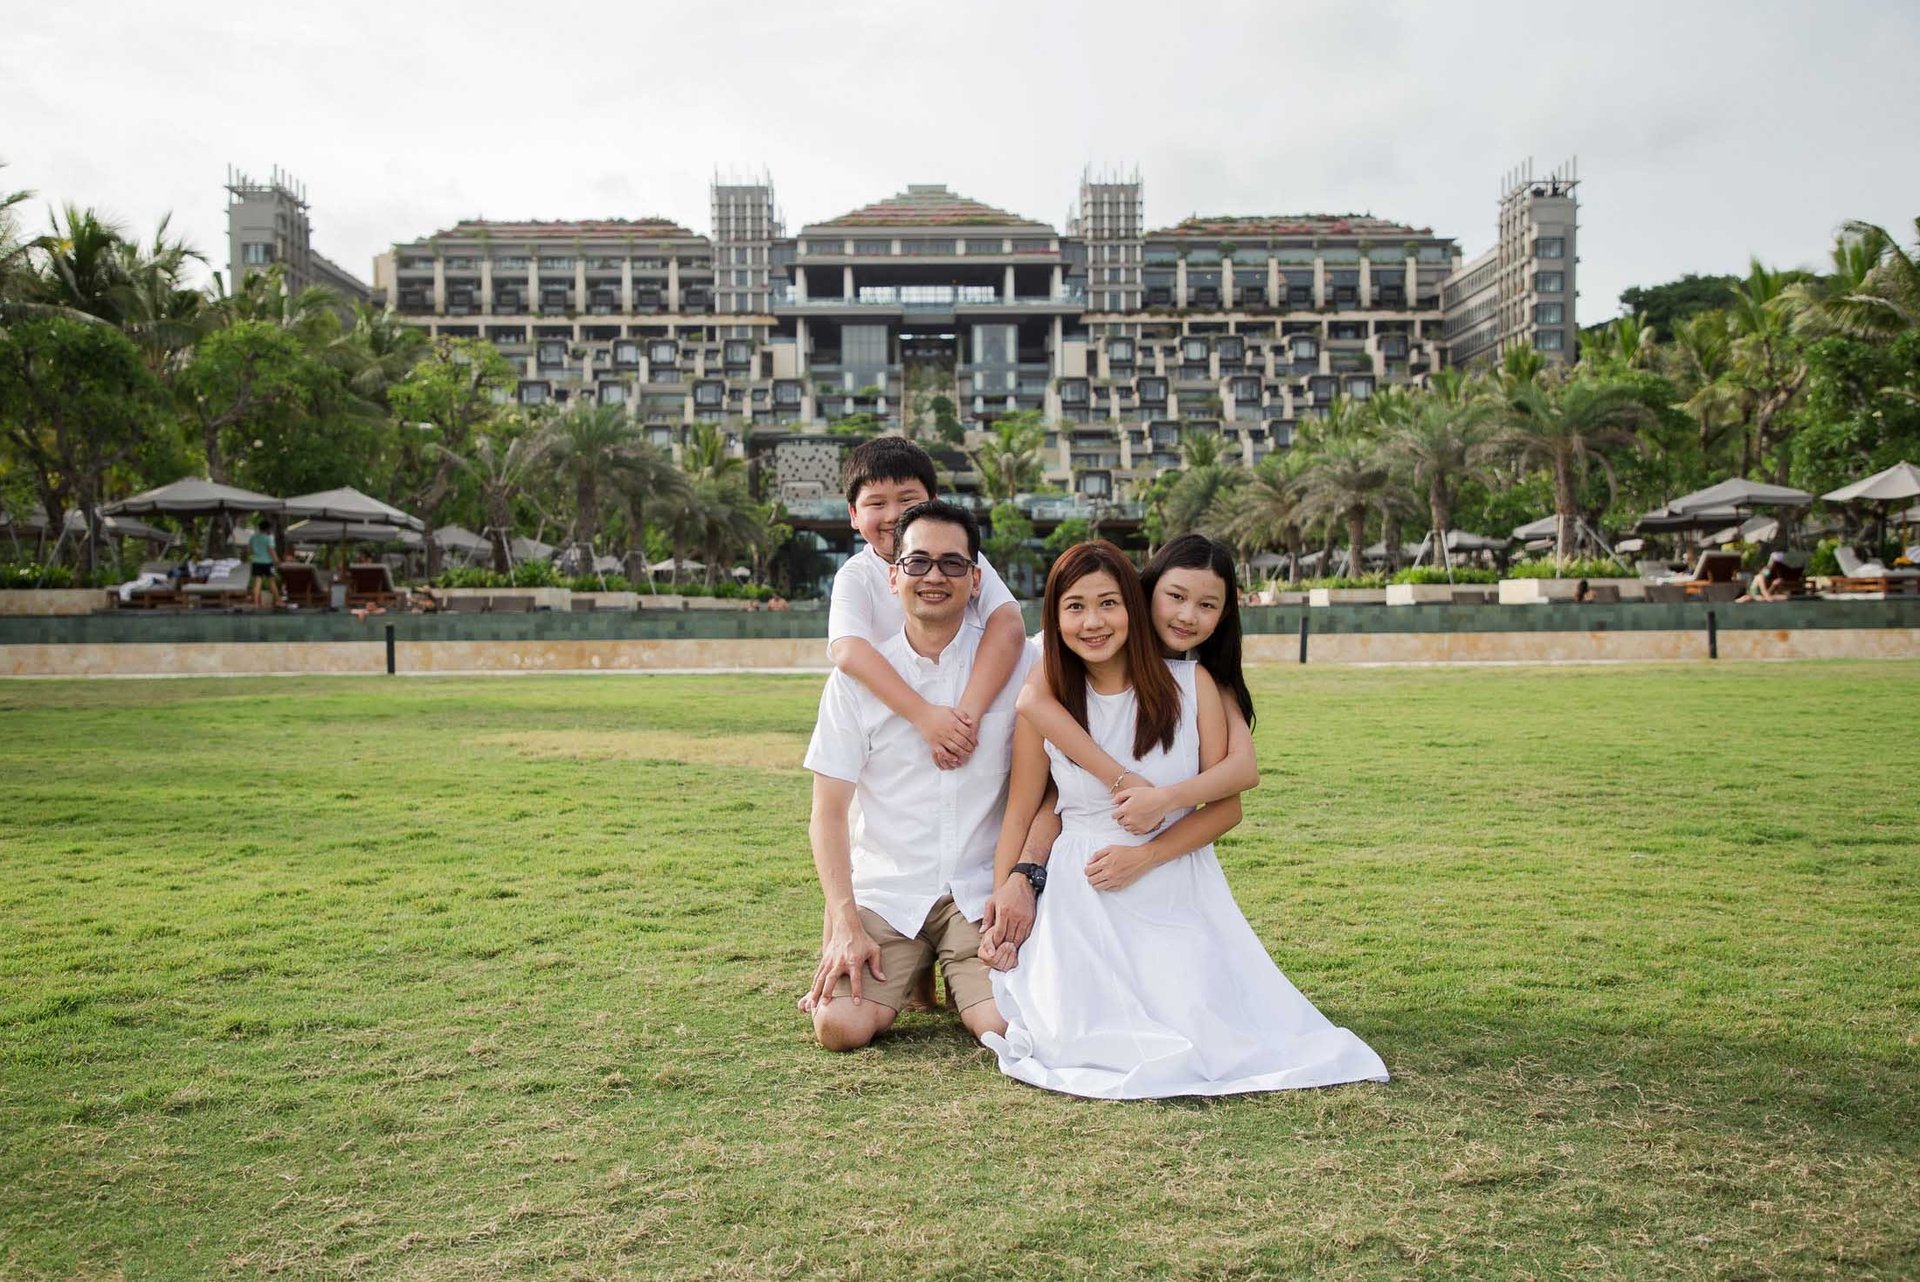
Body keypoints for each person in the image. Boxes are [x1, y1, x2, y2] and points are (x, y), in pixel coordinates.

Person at [979, 540, 1389, 1098]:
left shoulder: (1195, 685)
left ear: (1131, 604)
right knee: (1071, 1033)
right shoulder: (1050, 689)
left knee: (1204, 1029)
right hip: (1079, 888)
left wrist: (1145, 851)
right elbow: (1025, 807)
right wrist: (1007, 890)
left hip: (1173, 880)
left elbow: (1230, 801)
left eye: (1108, 604)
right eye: (1074, 607)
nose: (1093, 621)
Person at [801, 499, 1034, 1052]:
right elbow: (828, 814)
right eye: (918, 563)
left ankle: (960, 977)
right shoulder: (857, 682)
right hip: (890, 890)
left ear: (976, 580)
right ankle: (920, 971)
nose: (935, 576)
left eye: (953, 565)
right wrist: (845, 923)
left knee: (1003, 1028)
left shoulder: (1019, 666)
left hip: (979, 891)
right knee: (839, 1027)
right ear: (893, 575)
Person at [829, 436, 1026, 771]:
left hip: (964, 714)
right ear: (853, 514)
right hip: (894, 728)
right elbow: (848, 651)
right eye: (876, 504)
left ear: (933, 502)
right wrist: (925, 717)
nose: (893, 515)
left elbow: (1008, 624)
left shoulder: (961, 560)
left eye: (907, 499)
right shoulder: (855, 575)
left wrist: (964, 720)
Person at [246, 521, 279, 609]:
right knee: (272, 582)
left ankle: (256, 603)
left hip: (256, 562)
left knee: (257, 583)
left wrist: (256, 554)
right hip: (268, 563)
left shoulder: (253, 538)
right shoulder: (269, 538)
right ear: (268, 528)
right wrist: (276, 560)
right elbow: (271, 550)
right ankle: (278, 601)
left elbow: (249, 550)